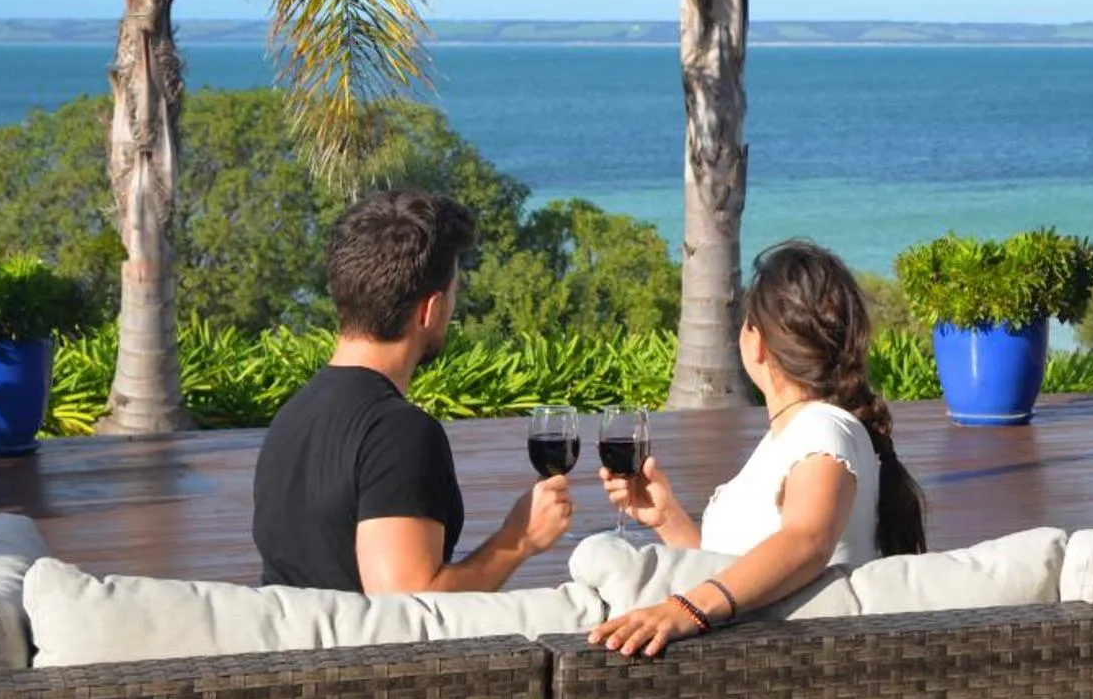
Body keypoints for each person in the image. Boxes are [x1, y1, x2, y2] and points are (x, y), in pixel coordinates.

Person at [589, 239, 925, 656]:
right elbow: (742, 573)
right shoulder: (802, 433)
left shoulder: (823, 428)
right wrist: (667, 518)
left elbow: (807, 542)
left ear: (757, 341)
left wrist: (684, 610)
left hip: (789, 668)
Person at [253, 188, 571, 592]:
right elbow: (408, 604)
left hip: (291, 651)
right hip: (360, 656)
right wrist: (518, 539)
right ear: (430, 309)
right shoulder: (398, 433)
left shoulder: (291, 416)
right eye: (454, 295)